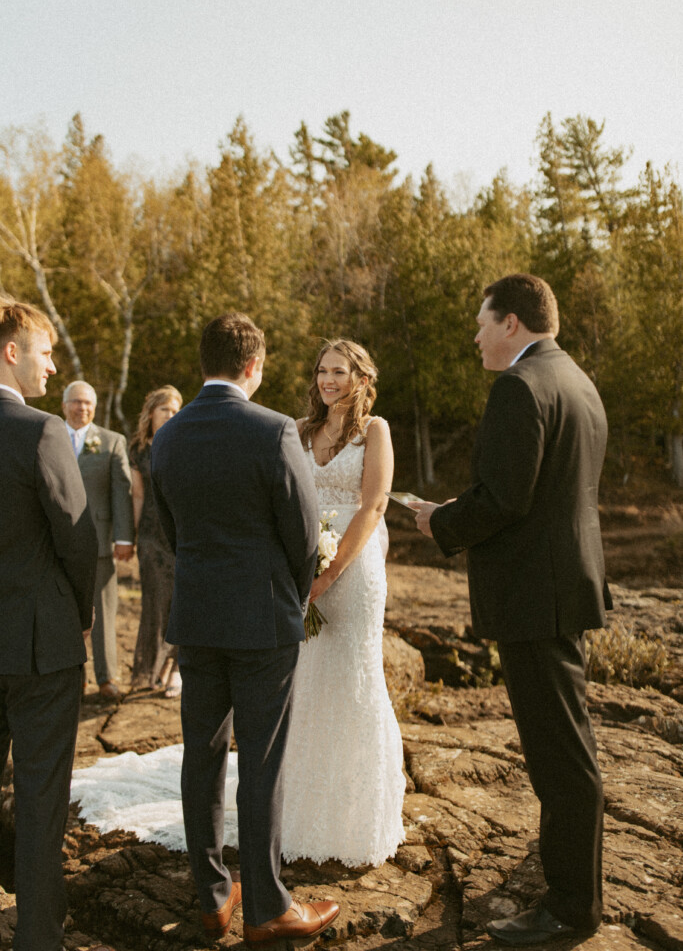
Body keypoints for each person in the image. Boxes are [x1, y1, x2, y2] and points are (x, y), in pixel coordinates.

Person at [411, 274, 610, 946]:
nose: (474, 336)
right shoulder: (577, 382)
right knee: (564, 746)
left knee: (559, 755)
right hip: (562, 587)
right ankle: (569, 883)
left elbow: (503, 499)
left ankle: (571, 907)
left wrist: (438, 519)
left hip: (533, 595)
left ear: (512, 324)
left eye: (480, 322)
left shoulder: (519, 388)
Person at [150, 312, 339, 946]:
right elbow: (305, 534)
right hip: (262, 620)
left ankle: (210, 898)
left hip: (197, 618)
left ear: (203, 361)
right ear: (254, 366)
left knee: (200, 755)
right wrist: (285, 590)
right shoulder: (275, 429)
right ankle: (265, 905)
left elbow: (170, 533)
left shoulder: (169, 435)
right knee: (261, 760)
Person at [0, 298, 104, 951]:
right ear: (11, 352)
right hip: (40, 647)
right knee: (40, 798)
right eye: (43, 350)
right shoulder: (38, 432)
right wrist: (81, 616)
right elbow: (78, 539)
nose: (52, 363)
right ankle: (38, 937)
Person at [281, 339, 405, 867]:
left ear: (360, 376)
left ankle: (355, 819)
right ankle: (295, 812)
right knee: (304, 682)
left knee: (354, 681)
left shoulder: (374, 430)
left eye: (339, 371)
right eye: (322, 371)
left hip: (352, 572)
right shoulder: (300, 430)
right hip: (301, 564)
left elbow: (374, 505)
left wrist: (329, 575)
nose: (328, 379)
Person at [62, 380, 135, 699]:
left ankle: (107, 677)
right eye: (76, 402)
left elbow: (122, 491)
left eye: (88, 402)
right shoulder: (48, 435)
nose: (82, 408)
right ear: (64, 405)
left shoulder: (111, 441)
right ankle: (72, 675)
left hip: (101, 540)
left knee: (104, 610)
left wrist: (123, 537)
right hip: (59, 542)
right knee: (62, 611)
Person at [128, 385, 183, 697]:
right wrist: (134, 537)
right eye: (166, 409)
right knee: (154, 604)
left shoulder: (185, 443)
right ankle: (152, 666)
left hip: (179, 533)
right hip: (150, 534)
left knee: (179, 602)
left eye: (176, 410)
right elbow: (137, 495)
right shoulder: (138, 449)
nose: (171, 415)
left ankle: (176, 670)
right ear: (151, 412)